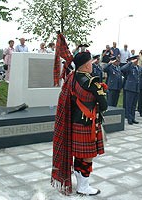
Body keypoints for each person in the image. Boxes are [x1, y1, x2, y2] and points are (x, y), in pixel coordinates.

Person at [51, 50, 107, 196]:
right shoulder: (92, 82)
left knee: (79, 155)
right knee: (87, 156)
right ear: (86, 65)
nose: (92, 65)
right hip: (88, 125)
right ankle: (83, 186)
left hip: (75, 122)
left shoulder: (71, 78)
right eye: (90, 62)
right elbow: (104, 105)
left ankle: (81, 184)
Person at [120, 55, 140, 125]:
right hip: (130, 88)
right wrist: (130, 63)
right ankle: (129, 118)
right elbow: (122, 69)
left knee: (134, 104)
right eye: (136, 60)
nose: (137, 61)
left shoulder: (137, 67)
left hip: (136, 88)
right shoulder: (129, 67)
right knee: (129, 104)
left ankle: (133, 118)